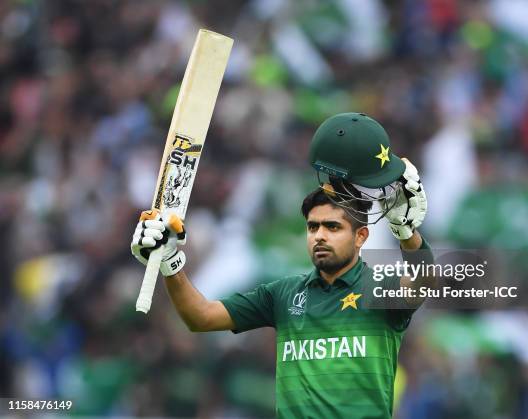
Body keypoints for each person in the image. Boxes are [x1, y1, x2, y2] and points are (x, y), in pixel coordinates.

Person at [130, 114, 432, 418]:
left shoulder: (377, 291)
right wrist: (170, 262)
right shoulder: (284, 294)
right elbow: (200, 317)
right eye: (314, 228)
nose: (321, 237)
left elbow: (423, 282)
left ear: (360, 236)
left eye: (333, 228)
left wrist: (407, 233)